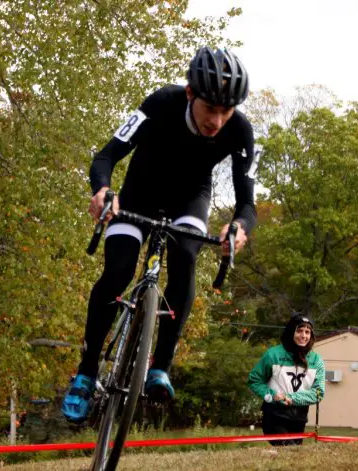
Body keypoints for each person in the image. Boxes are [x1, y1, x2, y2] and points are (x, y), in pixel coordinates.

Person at [60, 47, 257, 423]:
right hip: (139, 194)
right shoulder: (161, 102)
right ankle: (86, 372)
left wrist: (239, 227)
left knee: (185, 260)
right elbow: (106, 156)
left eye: (225, 111)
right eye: (209, 108)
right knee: (118, 271)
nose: (217, 120)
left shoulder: (240, 129)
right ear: (189, 93)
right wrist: (102, 190)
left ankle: (160, 367)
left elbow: (247, 203)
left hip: (190, 200)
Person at [247, 314, 325, 446]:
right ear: (291, 331)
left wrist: (291, 398)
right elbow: (254, 380)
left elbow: (319, 392)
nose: (303, 336)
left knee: (292, 459)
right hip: (274, 415)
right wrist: (271, 395)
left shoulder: (316, 360)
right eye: (299, 331)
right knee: (290, 450)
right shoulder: (273, 355)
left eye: (307, 332)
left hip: (299, 418)